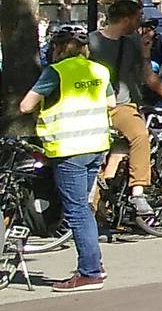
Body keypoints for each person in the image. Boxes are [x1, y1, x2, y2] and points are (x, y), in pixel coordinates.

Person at [19, 30, 114, 291]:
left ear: (59, 48)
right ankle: (95, 263)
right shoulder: (99, 70)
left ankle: (90, 273)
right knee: (83, 207)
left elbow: (26, 106)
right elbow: (111, 102)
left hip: (69, 149)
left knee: (77, 211)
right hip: (96, 147)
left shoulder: (56, 72)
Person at [88, 0, 162, 231]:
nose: (139, 23)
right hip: (114, 105)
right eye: (138, 18)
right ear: (127, 19)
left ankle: (103, 206)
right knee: (140, 136)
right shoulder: (93, 42)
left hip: (106, 106)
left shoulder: (122, 41)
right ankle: (138, 192)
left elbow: (145, 73)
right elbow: (146, 77)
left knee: (118, 152)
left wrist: (145, 51)